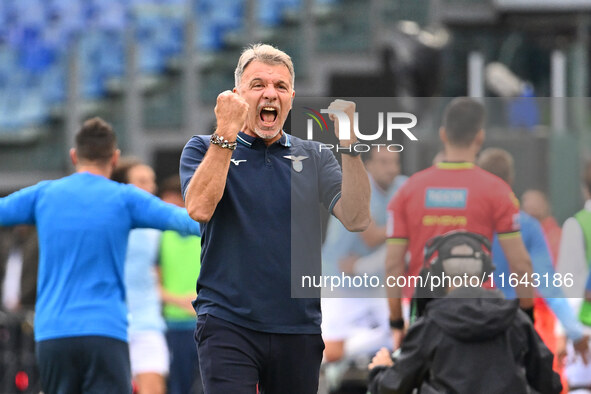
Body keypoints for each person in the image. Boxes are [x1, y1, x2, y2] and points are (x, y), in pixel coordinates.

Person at [180, 43, 371, 394]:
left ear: (292, 97)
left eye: (280, 87)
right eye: (258, 85)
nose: (270, 94)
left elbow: (357, 218)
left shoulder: (313, 154)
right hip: (227, 321)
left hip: (298, 326)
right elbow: (199, 208)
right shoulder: (202, 147)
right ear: (237, 94)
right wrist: (225, 133)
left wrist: (350, 146)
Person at [0, 117, 201, 394]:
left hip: (53, 333)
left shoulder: (44, 194)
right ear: (115, 158)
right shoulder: (125, 198)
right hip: (105, 330)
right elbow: (189, 221)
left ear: (74, 156)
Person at [385, 97, 534, 348]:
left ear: (443, 134)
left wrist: (397, 323)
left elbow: (392, 266)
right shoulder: (497, 191)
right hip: (481, 314)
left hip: (427, 314)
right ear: (479, 137)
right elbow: (521, 265)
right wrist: (528, 318)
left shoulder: (408, 191)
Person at [367, 233, 562, 394]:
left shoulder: (430, 325)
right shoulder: (516, 319)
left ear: (438, 274)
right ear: (484, 269)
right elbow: (549, 384)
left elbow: (393, 387)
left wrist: (380, 370)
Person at [477, 148, 589, 391]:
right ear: (510, 180)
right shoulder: (526, 227)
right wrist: (575, 332)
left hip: (469, 324)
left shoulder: (464, 222)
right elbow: (549, 284)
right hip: (512, 325)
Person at [111, 157, 170, 394]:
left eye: (151, 181)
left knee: (154, 389)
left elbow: (159, 271)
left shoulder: (159, 224)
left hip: (147, 320)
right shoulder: (107, 221)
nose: (150, 187)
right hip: (110, 321)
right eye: (142, 181)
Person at [157, 175, 203, 394]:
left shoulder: (205, 232)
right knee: (179, 386)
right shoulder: (159, 236)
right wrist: (179, 300)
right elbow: (150, 283)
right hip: (174, 326)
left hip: (206, 323)